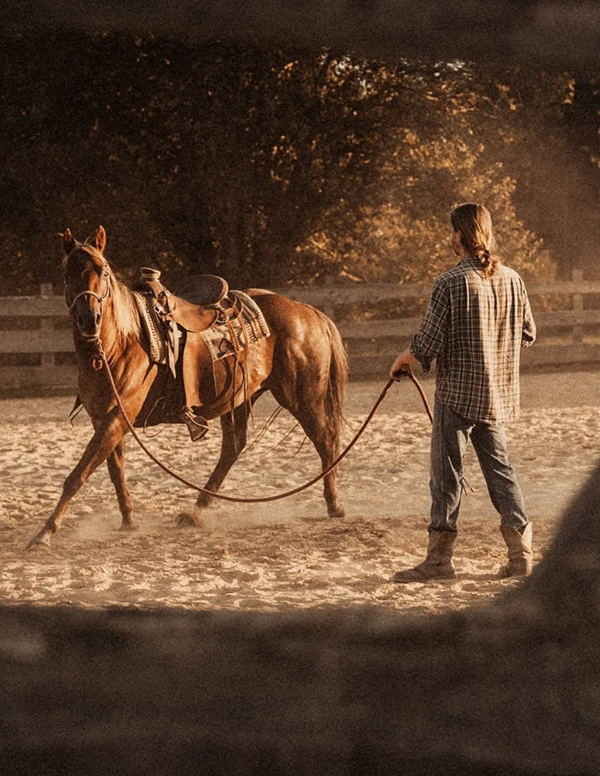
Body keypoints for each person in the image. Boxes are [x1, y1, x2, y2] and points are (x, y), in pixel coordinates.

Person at [389, 203, 536, 582]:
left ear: (459, 235)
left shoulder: (450, 282)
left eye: (452, 231)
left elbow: (426, 344)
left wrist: (402, 360)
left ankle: (439, 561)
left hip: (456, 396)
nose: (450, 237)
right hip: (496, 397)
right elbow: (528, 333)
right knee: (501, 473)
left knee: (446, 476)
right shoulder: (513, 279)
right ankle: (520, 556)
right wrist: (494, 350)